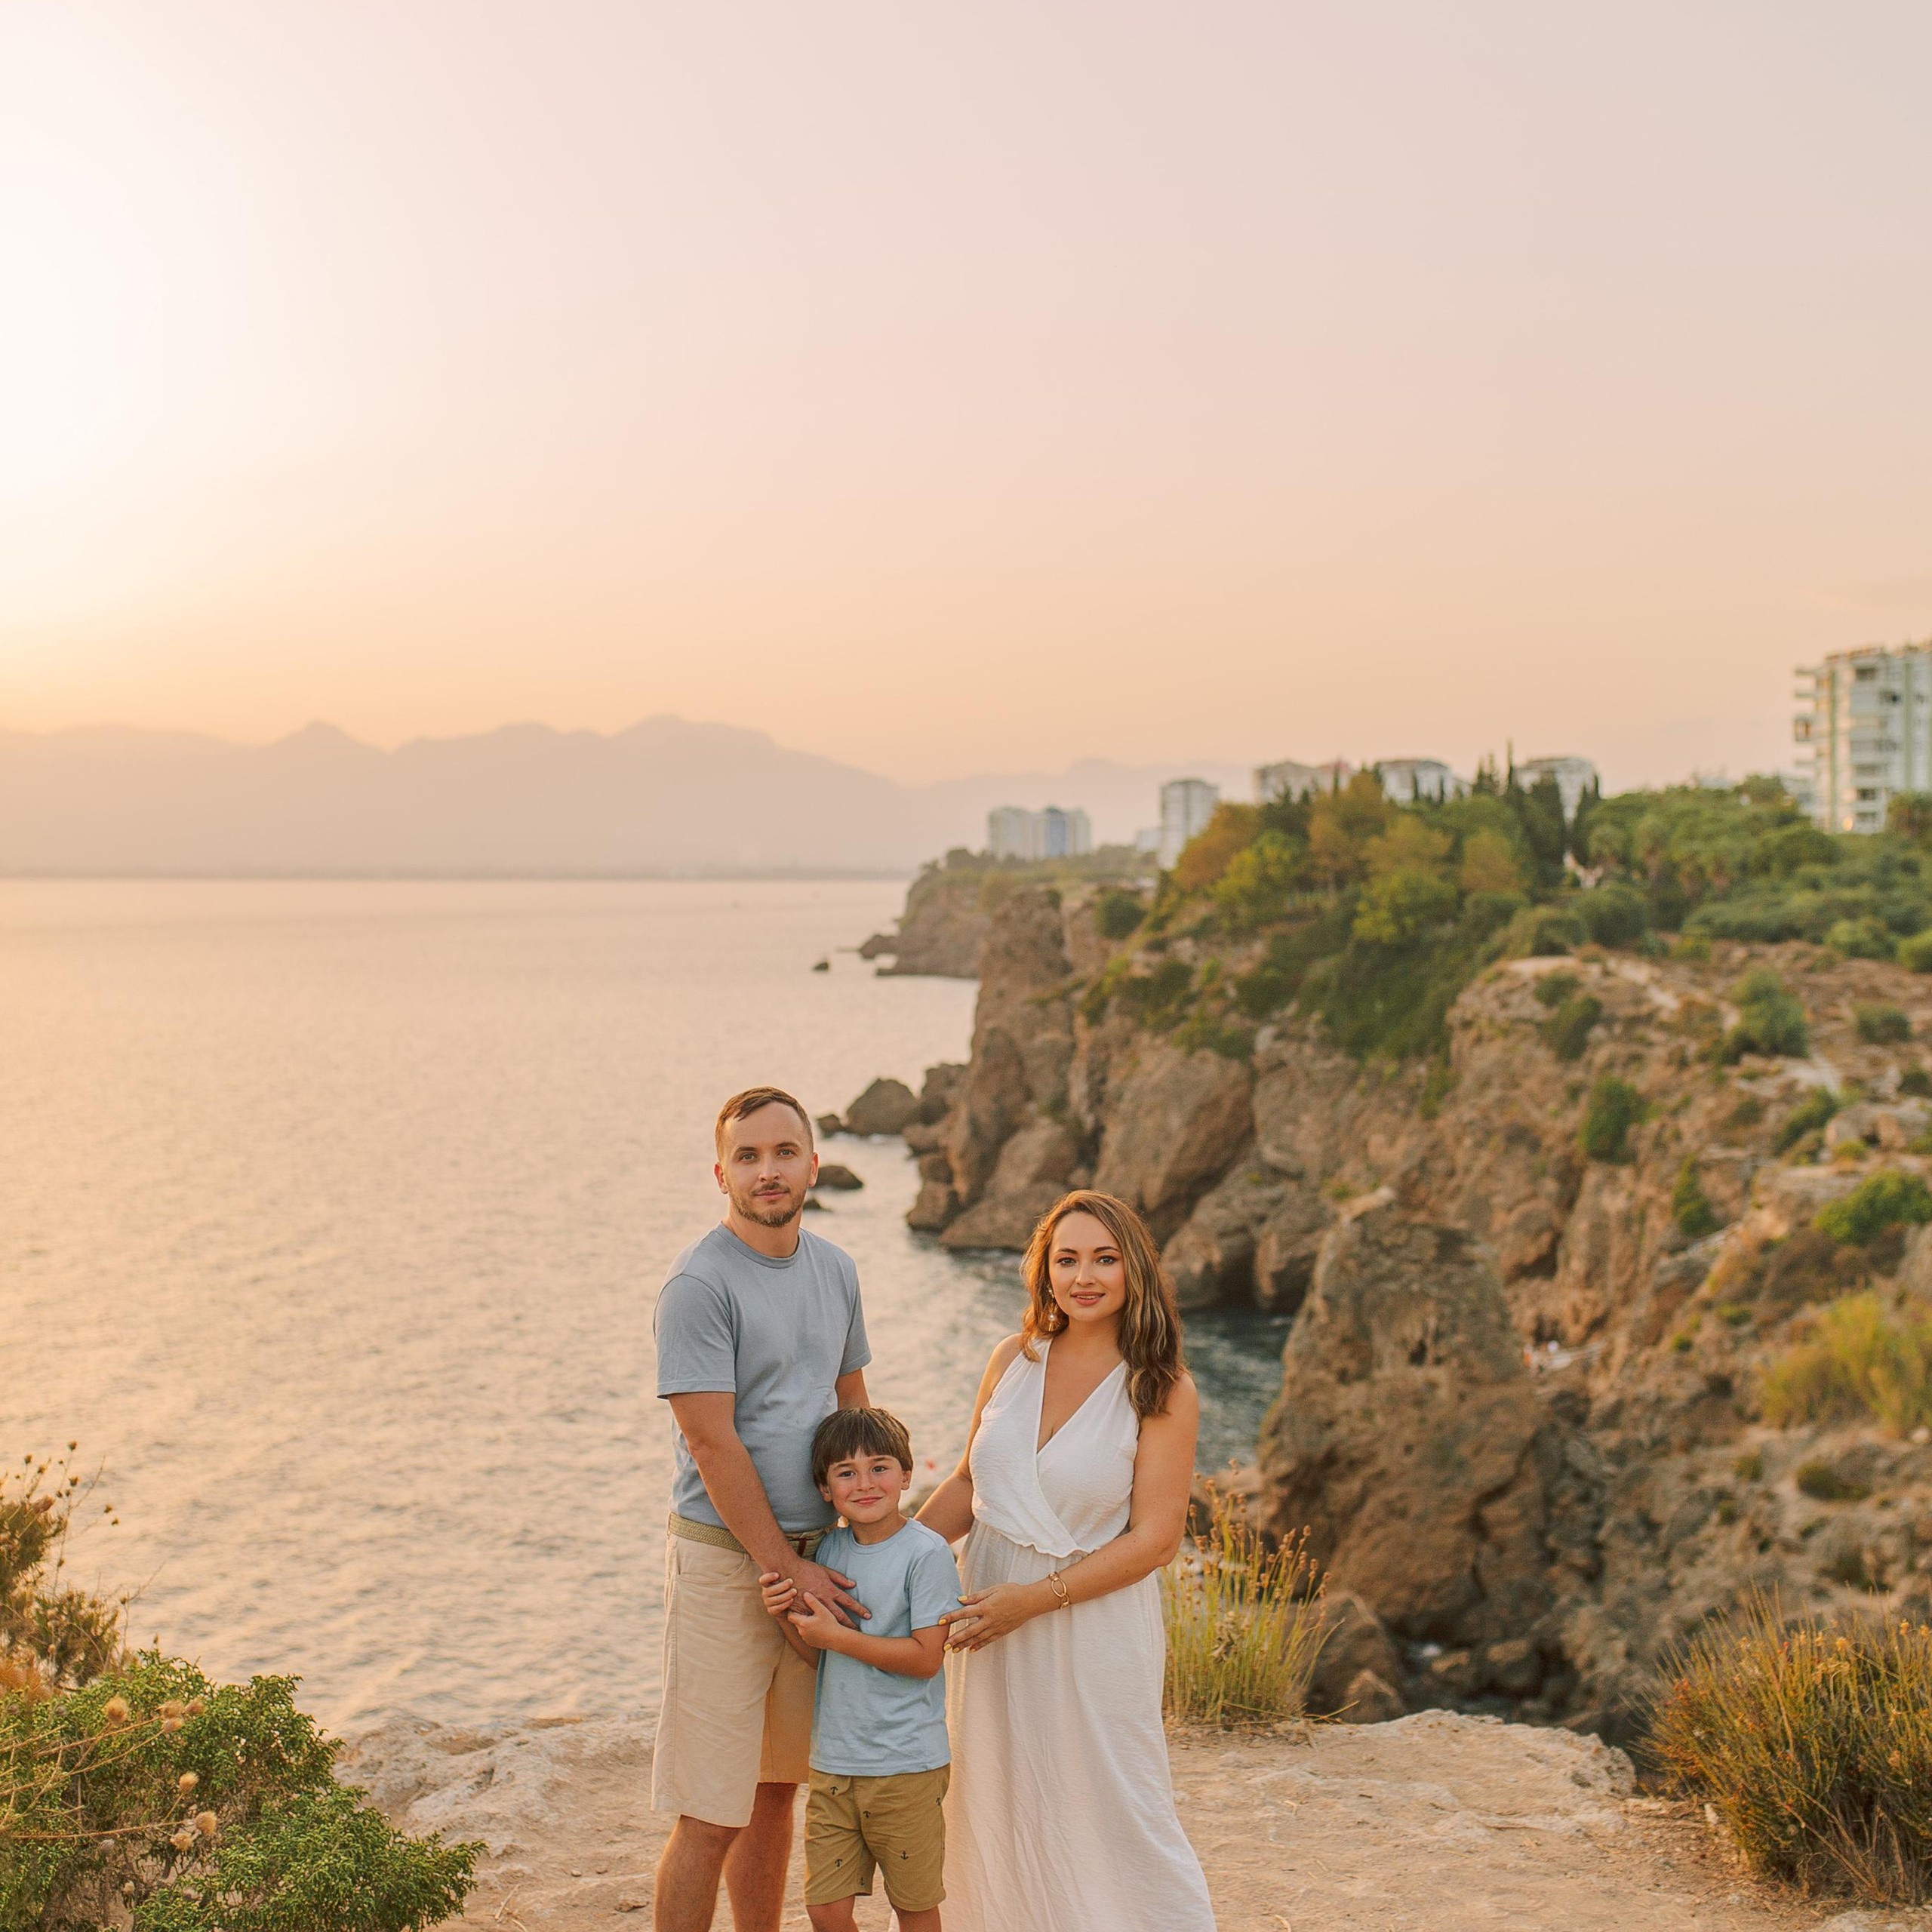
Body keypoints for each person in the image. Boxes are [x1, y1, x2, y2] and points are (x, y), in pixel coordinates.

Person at [918, 1189, 1217, 1932]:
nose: (1085, 1276)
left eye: (1104, 1259)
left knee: (1112, 1803)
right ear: (1044, 1271)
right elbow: (966, 1483)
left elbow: (1153, 1539)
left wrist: (1036, 1598)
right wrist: (892, 1558)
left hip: (1090, 1628)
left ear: (1134, 1269)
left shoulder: (1163, 1388)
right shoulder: (1010, 1360)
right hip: (986, 1618)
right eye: (1067, 1259)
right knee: (994, 1795)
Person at [651, 1086, 872, 1932]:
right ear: (721, 1174)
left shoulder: (837, 1270)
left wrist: (867, 1542)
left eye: (784, 1152)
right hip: (727, 1565)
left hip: (817, 1552)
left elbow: (852, 1410)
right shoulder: (698, 1285)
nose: (768, 1170)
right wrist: (786, 1570)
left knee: (776, 1790)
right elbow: (713, 1446)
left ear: (813, 1165)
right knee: (712, 1810)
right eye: (748, 1156)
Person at [758, 1407, 961, 1932]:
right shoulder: (829, 1551)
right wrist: (786, 1617)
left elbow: (925, 1659)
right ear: (825, 1490)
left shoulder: (927, 1554)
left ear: (907, 1475)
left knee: (913, 1906)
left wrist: (838, 1637)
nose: (865, 1483)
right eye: (846, 1472)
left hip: (905, 1766)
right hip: (834, 1764)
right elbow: (823, 1659)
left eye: (880, 1467)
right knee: (825, 1909)